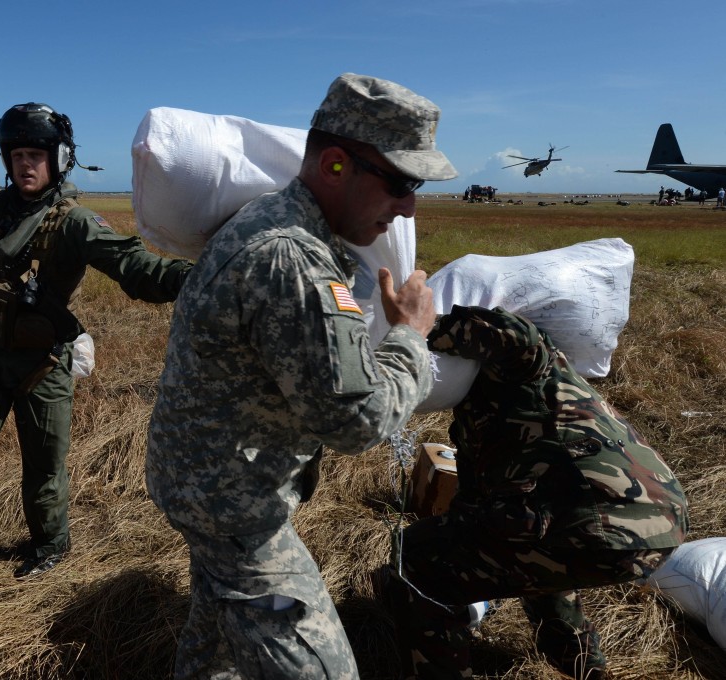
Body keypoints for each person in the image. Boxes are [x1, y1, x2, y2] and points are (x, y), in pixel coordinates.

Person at [146, 73, 457, 679]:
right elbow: (356, 419)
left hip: (202, 485)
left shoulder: (275, 225)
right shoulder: (292, 259)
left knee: (215, 652)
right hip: (235, 509)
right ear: (336, 165)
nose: (410, 206)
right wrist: (410, 338)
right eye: (399, 183)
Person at [0, 102, 194, 639]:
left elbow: (138, 269)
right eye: (17, 154)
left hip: (43, 365)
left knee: (45, 467)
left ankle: (50, 543)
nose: (26, 165)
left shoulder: (74, 222)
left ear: (58, 159)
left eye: (36, 155)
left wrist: (206, 274)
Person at [383, 305, 689, 679]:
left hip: (605, 517)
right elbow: (479, 503)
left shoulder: (526, 367)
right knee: (531, 555)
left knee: (417, 556)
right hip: (655, 521)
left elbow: (517, 335)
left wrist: (419, 327)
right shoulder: (488, 413)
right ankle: (584, 669)